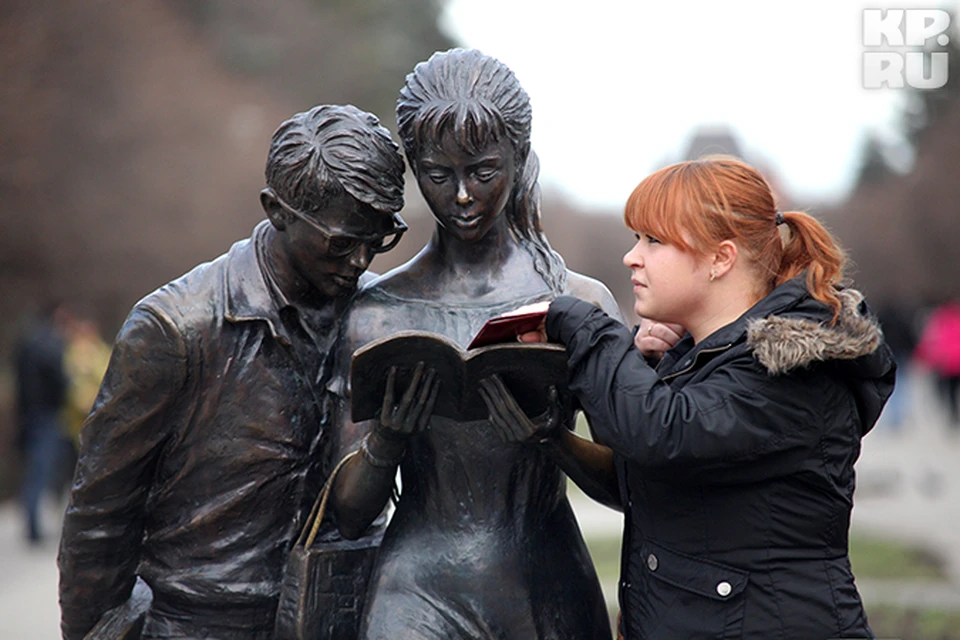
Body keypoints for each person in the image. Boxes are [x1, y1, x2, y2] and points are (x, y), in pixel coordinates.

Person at [484, 155, 896, 639]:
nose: (632, 257)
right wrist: (554, 435)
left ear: (720, 259)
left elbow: (662, 434)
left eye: (654, 242)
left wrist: (584, 327)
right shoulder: (703, 361)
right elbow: (646, 484)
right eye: (637, 239)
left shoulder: (794, 367)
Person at [56, 104, 407, 640]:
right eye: (340, 242)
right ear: (277, 209)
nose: (361, 260)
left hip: (335, 618)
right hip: (196, 623)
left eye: (379, 239)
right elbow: (100, 514)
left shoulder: (376, 316)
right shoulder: (176, 329)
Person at [327, 48, 620, 638]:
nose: (462, 195)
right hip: (414, 594)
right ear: (414, 167)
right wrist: (385, 442)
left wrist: (550, 437)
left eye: (483, 171)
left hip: (545, 586)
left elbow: (627, 487)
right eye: (438, 175)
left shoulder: (578, 303)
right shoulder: (376, 313)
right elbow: (349, 516)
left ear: (520, 157)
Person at [14, 300, 72, 545]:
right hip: (47, 413)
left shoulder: (27, 342)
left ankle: (31, 522)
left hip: (29, 412)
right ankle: (34, 528)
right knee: (43, 470)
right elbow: (60, 380)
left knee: (34, 470)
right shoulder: (50, 344)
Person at [913, 299, 960, 429]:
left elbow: (932, 343)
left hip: (946, 364)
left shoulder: (939, 323)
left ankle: (953, 414)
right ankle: (954, 413)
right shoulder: (955, 322)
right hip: (955, 364)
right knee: (953, 391)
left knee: (947, 392)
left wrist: (925, 359)